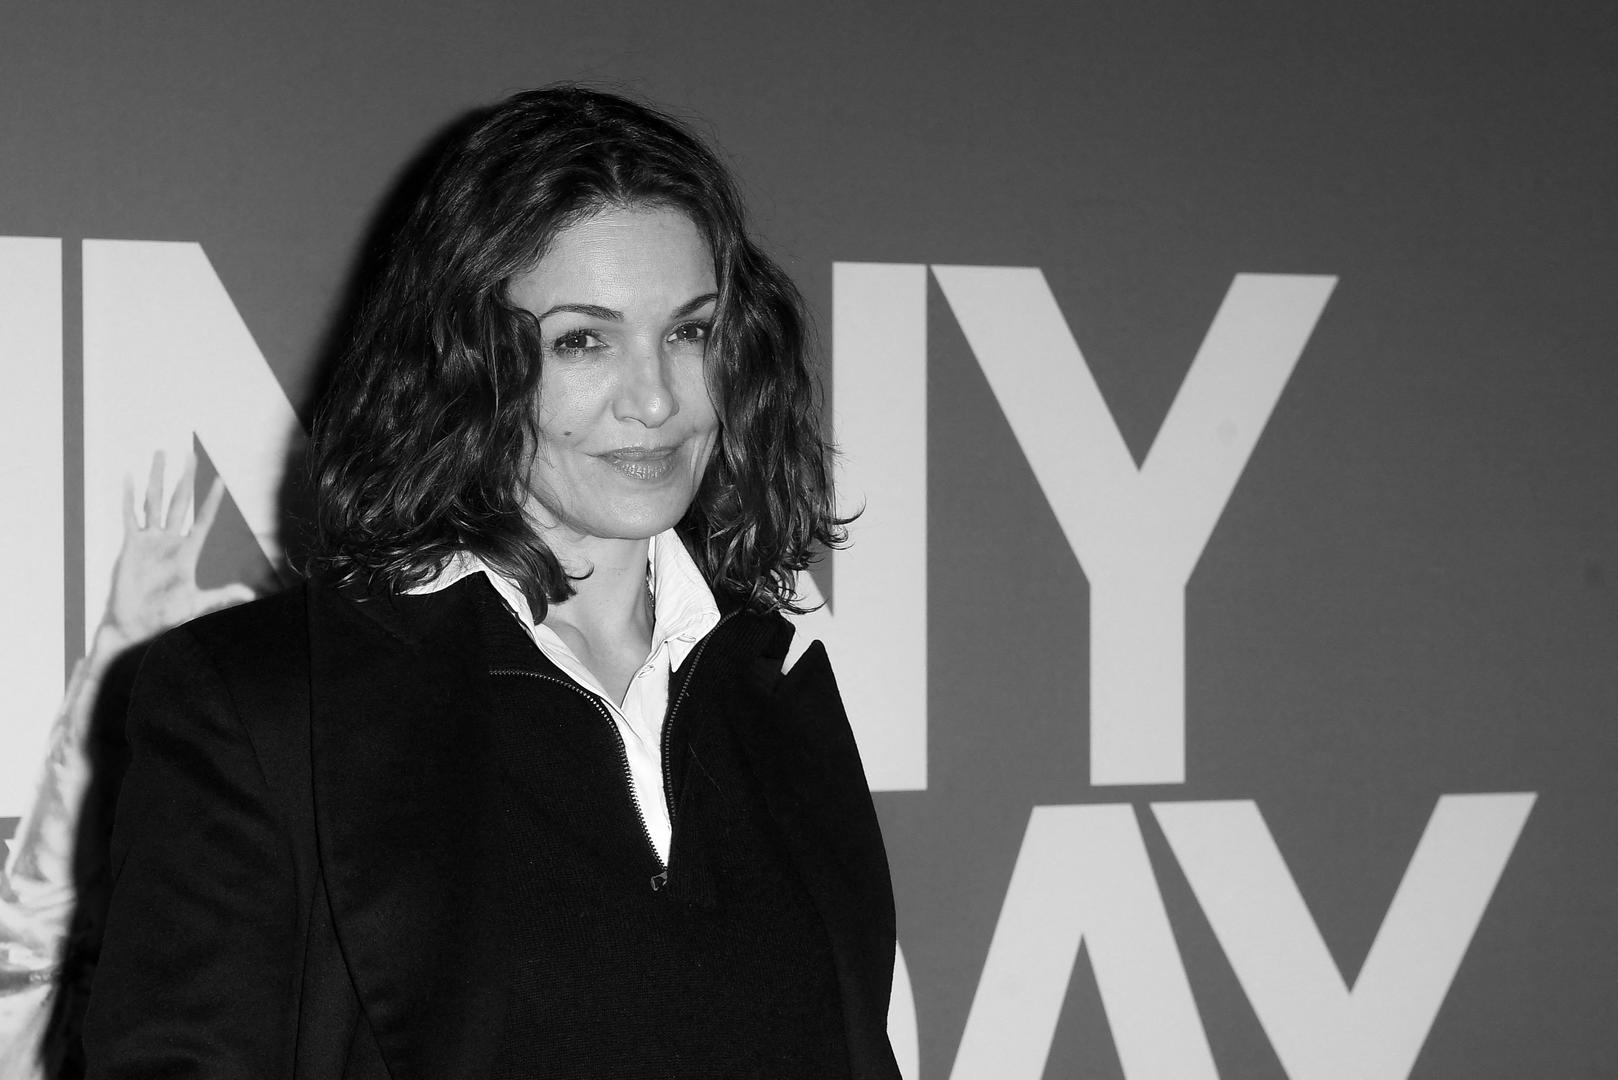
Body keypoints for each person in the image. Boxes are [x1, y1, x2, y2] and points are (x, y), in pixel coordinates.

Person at [82, 86, 899, 1079]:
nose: (655, 399)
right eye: (582, 340)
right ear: (465, 359)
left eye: (690, 332)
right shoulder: (263, 706)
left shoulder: (774, 685)